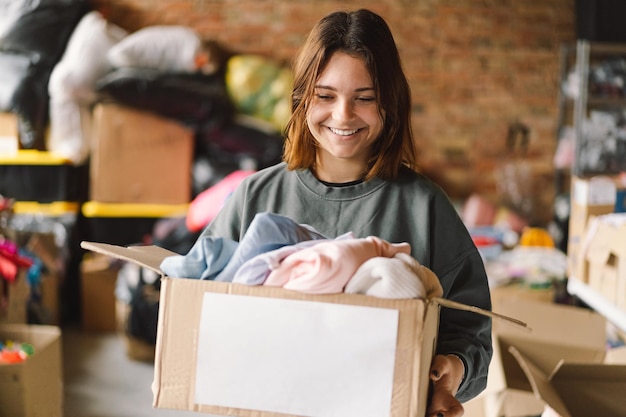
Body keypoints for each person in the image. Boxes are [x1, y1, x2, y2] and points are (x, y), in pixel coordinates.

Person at [199, 8, 492, 417]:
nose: (342, 115)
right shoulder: (255, 197)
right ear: (303, 100)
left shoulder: (426, 208)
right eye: (326, 95)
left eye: (365, 98)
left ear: (389, 104)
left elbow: (472, 330)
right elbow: (199, 305)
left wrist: (452, 371)